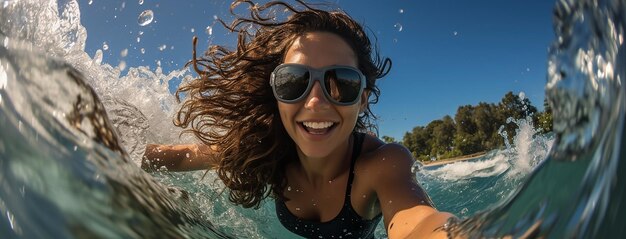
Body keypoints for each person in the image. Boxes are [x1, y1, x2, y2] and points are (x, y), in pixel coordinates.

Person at [142, 0, 457, 238]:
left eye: (341, 83)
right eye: (294, 81)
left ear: (361, 100)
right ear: (275, 93)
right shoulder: (262, 148)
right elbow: (179, 157)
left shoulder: (381, 164)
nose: (316, 101)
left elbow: (418, 221)